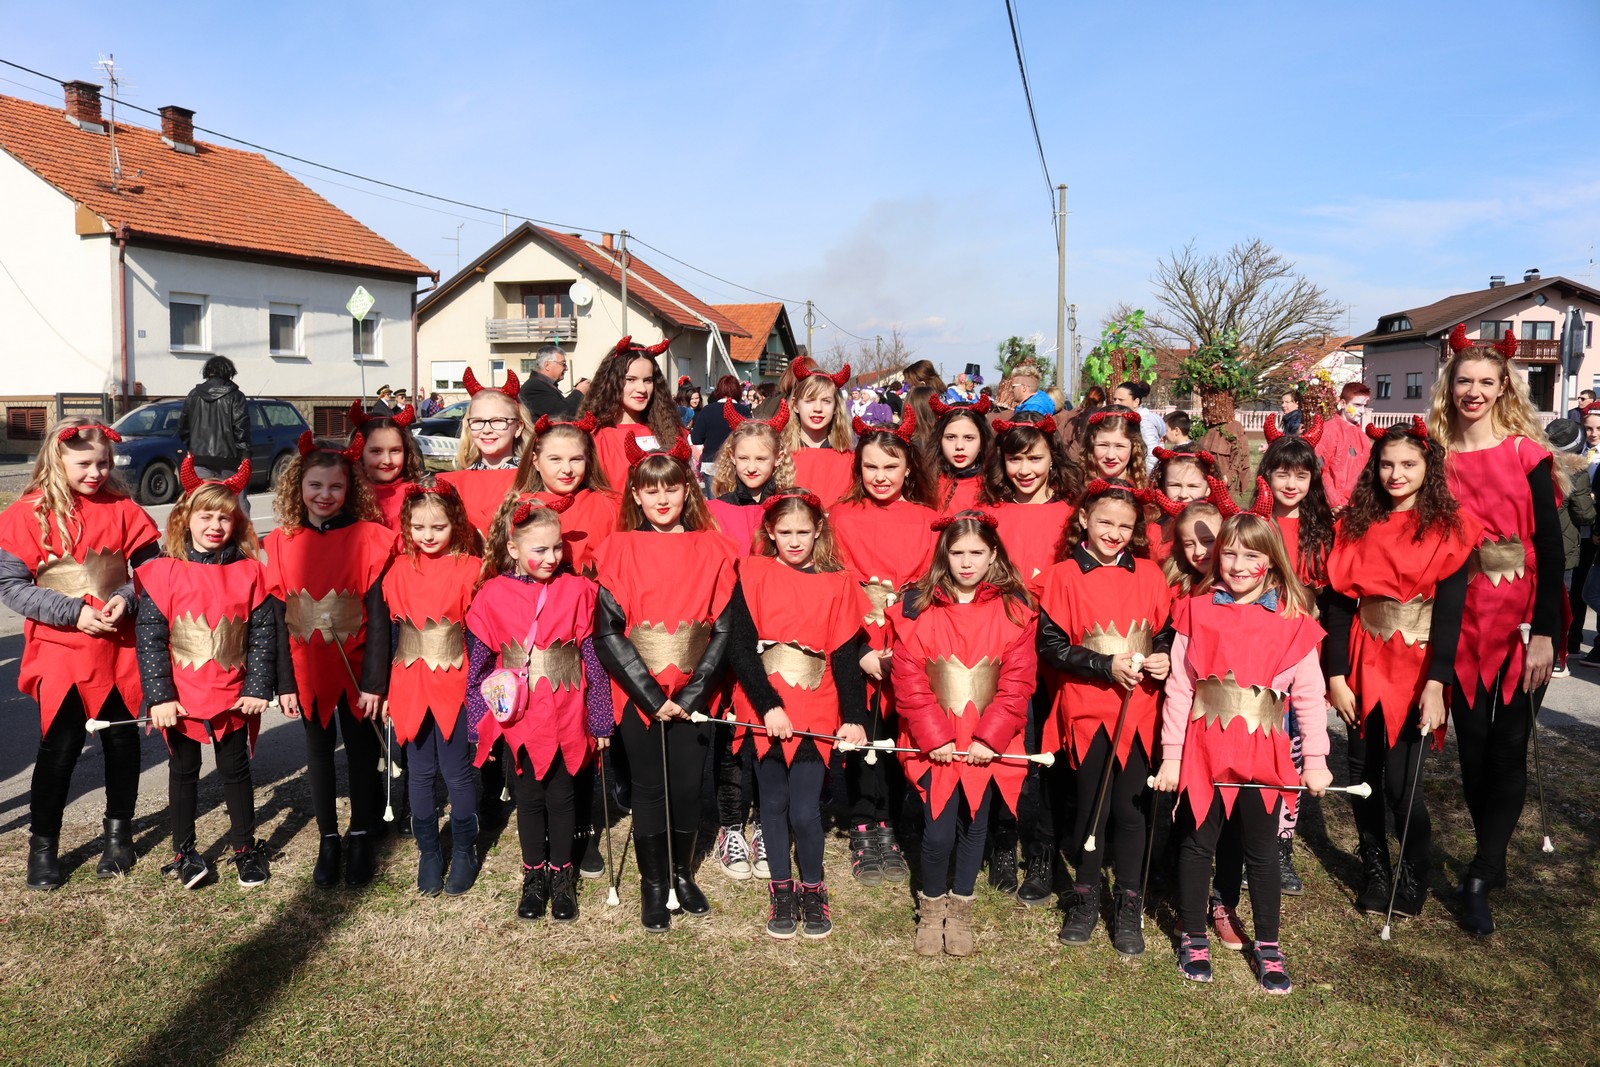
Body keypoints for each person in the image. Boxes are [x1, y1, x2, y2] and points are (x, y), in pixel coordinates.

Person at [1154, 514, 1330, 994]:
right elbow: (1179, 689)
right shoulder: (1195, 610)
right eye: (1228, 553)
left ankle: (1269, 944)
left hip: (1265, 754)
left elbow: (1310, 696)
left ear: (1271, 561)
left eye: (1251, 555)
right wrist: (1172, 755)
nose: (1236, 564)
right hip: (1202, 751)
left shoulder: (1295, 622)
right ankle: (1193, 934)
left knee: (1262, 852)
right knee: (1196, 844)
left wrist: (1314, 758)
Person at [1427, 324, 1564, 936]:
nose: (1473, 391)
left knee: (1509, 746)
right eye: (1464, 381)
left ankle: (1481, 873)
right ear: (1449, 387)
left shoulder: (1525, 454)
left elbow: (1555, 552)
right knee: (1474, 747)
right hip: (1460, 613)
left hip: (1522, 616)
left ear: (1503, 387)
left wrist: (1547, 635)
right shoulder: (1436, 455)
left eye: (1486, 381)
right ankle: (1492, 857)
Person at [1323, 419, 1477, 920]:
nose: (1395, 473)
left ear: (1428, 468)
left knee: (1399, 783)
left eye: (1408, 464)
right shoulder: (1355, 524)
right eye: (1387, 464)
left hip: (1416, 666)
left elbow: (1450, 613)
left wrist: (1438, 683)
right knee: (1361, 772)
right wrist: (1337, 675)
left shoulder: (1449, 528)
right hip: (1364, 660)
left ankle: (1414, 870)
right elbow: (1340, 607)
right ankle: (1375, 869)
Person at [0, 419, 160, 889]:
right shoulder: (24, 515)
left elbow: (153, 571)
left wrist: (128, 597)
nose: (96, 472)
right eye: (85, 463)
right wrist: (72, 613)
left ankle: (119, 836)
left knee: (121, 742)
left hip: (118, 651)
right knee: (60, 748)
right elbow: (11, 586)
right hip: (61, 652)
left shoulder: (125, 509)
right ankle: (44, 845)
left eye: (104, 463)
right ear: (58, 458)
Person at [591, 436, 736, 931]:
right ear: (634, 494)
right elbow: (607, 630)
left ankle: (681, 874)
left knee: (689, 786)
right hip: (638, 696)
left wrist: (692, 694)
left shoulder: (714, 548)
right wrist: (652, 698)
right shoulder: (617, 549)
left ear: (687, 491)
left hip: (696, 691)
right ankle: (654, 884)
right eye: (650, 490)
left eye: (671, 489)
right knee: (651, 787)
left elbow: (723, 628)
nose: (661, 500)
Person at [1037, 479, 1173, 956]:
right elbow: (1050, 647)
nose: (1114, 533)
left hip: (1138, 709)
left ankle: (1129, 902)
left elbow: (1168, 631)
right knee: (1093, 805)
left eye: (1125, 526)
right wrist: (1102, 665)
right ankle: (1086, 897)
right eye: (1105, 522)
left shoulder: (1152, 576)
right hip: (1089, 707)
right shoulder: (1061, 577)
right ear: (1084, 521)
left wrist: (1162, 655)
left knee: (1130, 811)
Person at [727, 491, 870, 939]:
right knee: (772, 803)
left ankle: (813, 888)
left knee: (806, 810)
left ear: (818, 531)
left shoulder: (838, 583)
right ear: (770, 531)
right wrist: (768, 706)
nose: (793, 540)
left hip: (816, 707)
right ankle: (781, 889)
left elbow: (845, 656)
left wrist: (853, 715)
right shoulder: (752, 574)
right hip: (764, 707)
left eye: (802, 532)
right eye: (784, 532)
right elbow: (740, 648)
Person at [894, 511, 1037, 957]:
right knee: (937, 831)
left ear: (993, 553)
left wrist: (989, 739)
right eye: (957, 553)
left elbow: (1017, 682)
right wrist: (932, 736)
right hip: (935, 740)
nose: (967, 562)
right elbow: (908, 676)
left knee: (975, 826)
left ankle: (960, 908)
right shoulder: (918, 606)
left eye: (977, 552)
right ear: (944, 554)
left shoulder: (1015, 610)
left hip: (985, 741)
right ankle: (932, 907)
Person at [470, 495, 613, 921]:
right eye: (539, 549)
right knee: (530, 796)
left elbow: (594, 660)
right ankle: (534, 877)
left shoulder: (580, 591)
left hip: (568, 711)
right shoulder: (492, 595)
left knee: (564, 794)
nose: (551, 557)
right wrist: (479, 722)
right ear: (513, 548)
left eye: (556, 548)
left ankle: (562, 875)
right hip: (520, 717)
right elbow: (478, 663)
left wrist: (600, 717)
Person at [137, 460, 274, 889]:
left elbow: (263, 637)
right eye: (205, 516)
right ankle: (184, 851)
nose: (215, 525)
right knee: (184, 771)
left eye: (224, 517)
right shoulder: (163, 573)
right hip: (180, 695)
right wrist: (160, 697)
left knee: (235, 771)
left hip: (233, 695)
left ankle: (243, 847)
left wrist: (257, 689)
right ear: (184, 518)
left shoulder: (251, 573)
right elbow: (150, 639)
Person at [265, 433, 394, 888]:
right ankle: (329, 838)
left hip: (357, 671)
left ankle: (361, 834)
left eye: (335, 487)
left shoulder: (372, 540)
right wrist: (283, 683)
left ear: (350, 490)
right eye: (315, 486)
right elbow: (278, 620)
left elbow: (379, 618)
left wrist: (376, 682)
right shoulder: (280, 543)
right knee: (318, 754)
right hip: (306, 670)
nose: (324, 495)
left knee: (361, 754)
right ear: (298, 487)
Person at [497, 413, 619, 878]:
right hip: (536, 636)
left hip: (589, 624)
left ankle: (581, 831)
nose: (567, 468)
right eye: (555, 458)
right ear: (536, 460)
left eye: (576, 459)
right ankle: (541, 837)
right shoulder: (520, 505)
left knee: (584, 736)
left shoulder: (605, 503)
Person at [829, 406, 939, 885]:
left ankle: (892, 819)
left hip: (907, 645)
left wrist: (902, 650)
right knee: (862, 731)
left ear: (908, 467)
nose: (880, 476)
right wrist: (861, 651)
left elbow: (930, 588)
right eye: (870, 466)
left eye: (890, 467)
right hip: (857, 640)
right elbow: (836, 587)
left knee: (898, 735)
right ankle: (862, 822)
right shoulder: (839, 517)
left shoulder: (929, 521)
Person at [978, 413, 1078, 901]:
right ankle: (1000, 837)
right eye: (1015, 458)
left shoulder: (1069, 514)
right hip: (998, 641)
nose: (1024, 468)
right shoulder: (990, 512)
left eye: (1034, 457)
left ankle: (1041, 847)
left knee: (1041, 748)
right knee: (1000, 736)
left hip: (1052, 645)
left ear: (1051, 458)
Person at [705, 404, 795, 879]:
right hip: (729, 630)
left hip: (778, 628)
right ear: (732, 461)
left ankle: (764, 822)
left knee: (770, 725)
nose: (753, 466)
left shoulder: (791, 510)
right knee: (732, 731)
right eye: (744, 458)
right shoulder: (716, 511)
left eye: (762, 457)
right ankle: (730, 826)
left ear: (778, 459)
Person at [380, 480, 482, 897]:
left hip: (454, 681)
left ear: (454, 524)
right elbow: (391, 633)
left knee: (456, 771)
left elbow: (479, 634)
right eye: (419, 526)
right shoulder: (398, 571)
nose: (428, 535)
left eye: (438, 526)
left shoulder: (471, 569)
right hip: (409, 681)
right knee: (419, 773)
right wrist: (386, 690)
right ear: (407, 526)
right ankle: (428, 852)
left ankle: (463, 850)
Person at [579, 336, 685, 493]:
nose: (642, 388)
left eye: (648, 380)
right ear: (611, 382)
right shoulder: (594, 437)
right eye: (631, 379)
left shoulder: (671, 431)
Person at [438, 368, 535, 536]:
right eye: (478, 421)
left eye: (498, 421)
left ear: (518, 428)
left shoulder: (532, 477)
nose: (487, 430)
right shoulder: (454, 484)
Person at [1545, 418, 1595, 673]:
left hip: (1534, 542)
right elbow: (1585, 515)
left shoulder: (1537, 463)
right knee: (1559, 602)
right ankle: (1555, 657)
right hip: (1563, 547)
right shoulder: (1577, 471)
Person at [781, 361, 856, 509]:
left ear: (835, 407)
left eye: (826, 401)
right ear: (796, 405)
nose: (818, 408)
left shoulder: (850, 460)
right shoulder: (781, 456)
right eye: (810, 400)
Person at [348, 400, 423, 529]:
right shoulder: (346, 495)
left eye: (395, 451)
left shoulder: (418, 495)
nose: (387, 460)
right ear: (359, 452)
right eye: (376, 451)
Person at [178, 356, 250, 485]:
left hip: (199, 461)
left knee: (204, 501)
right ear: (229, 372)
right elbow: (241, 430)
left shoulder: (193, 395)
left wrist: (192, 448)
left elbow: (183, 428)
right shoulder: (236, 396)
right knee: (232, 502)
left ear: (208, 372)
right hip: (229, 462)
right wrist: (245, 457)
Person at [927, 396, 994, 514]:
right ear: (939, 440)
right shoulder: (926, 484)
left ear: (982, 442)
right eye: (951, 437)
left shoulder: (994, 485)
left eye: (969, 438)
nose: (959, 446)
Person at [1314, 382, 1374, 514]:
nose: (1362, 411)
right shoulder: (1329, 431)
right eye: (1357, 405)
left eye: (1365, 406)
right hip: (1334, 509)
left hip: (1358, 507)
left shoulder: (1362, 436)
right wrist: (1335, 503)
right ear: (1342, 404)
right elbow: (1320, 469)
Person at [692, 376, 749, 486]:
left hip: (711, 462)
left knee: (714, 502)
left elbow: (696, 439)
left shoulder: (707, 410)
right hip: (736, 462)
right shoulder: (744, 410)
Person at [1080, 409, 1149, 488]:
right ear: (1090, 445)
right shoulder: (1075, 492)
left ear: (1134, 448)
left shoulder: (1145, 492)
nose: (1110, 456)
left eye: (1120, 446)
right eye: (1103, 445)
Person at [518, 346, 585, 421]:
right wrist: (579, 392)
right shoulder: (534, 387)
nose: (566, 368)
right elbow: (560, 414)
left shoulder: (541, 384)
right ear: (547, 365)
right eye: (563, 364)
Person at [1112, 381, 1167, 472]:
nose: (1116, 403)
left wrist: (1145, 480)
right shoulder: (1125, 420)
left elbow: (1152, 455)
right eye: (1115, 399)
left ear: (1136, 402)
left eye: (1121, 400)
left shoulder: (1144, 423)